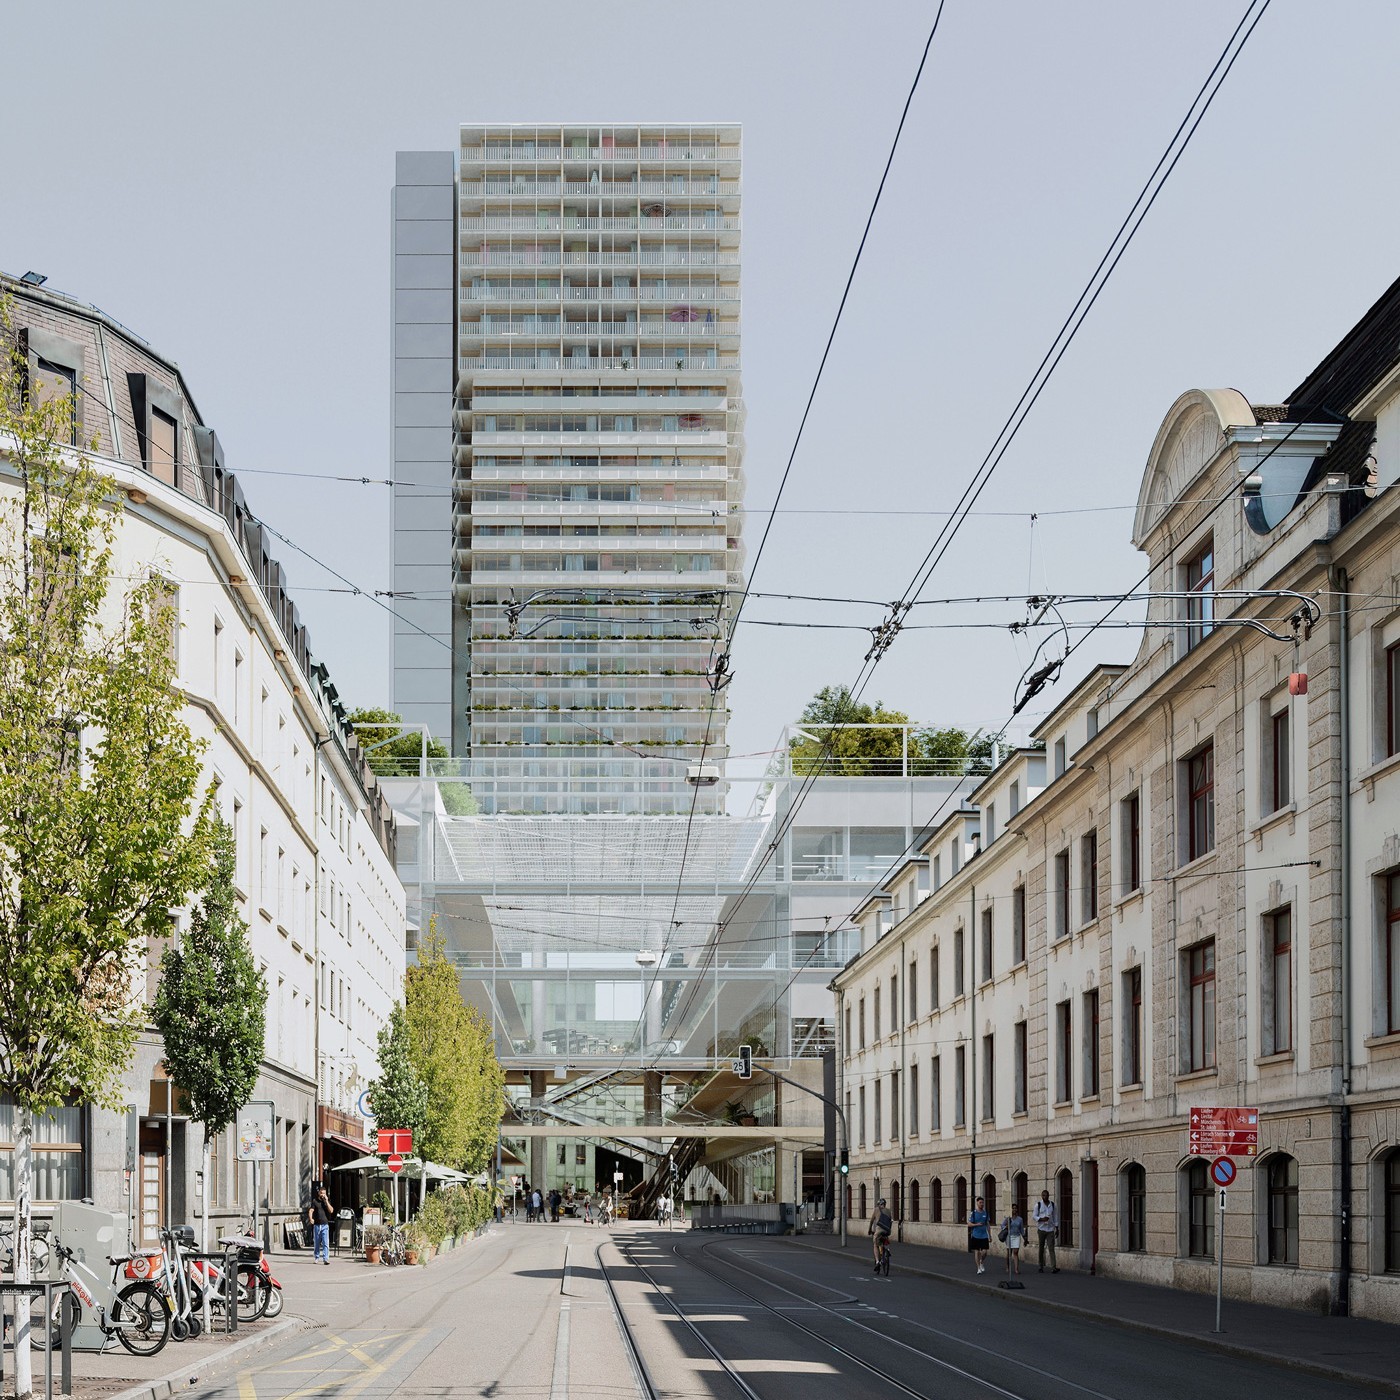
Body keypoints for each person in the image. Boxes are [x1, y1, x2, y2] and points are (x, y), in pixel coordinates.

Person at [306, 1182, 334, 1266]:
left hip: (325, 1224)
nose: (322, 1195)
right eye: (321, 1193)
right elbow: (311, 1210)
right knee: (317, 1242)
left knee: (326, 1243)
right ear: (319, 1193)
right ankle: (316, 1257)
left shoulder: (326, 1202)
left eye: (324, 1193)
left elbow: (331, 1210)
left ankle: (326, 1259)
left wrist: (326, 1201)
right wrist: (311, 1218)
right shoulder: (315, 1201)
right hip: (317, 1225)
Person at [1033, 1189, 1060, 1273]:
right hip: (1041, 1229)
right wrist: (1041, 1219)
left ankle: (1053, 1267)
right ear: (1041, 1196)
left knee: (1051, 1248)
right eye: (1043, 1195)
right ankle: (1040, 1265)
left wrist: (1057, 1227)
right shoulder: (1038, 1205)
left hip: (1050, 1229)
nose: (1045, 1197)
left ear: (1048, 1196)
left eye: (1046, 1195)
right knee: (1041, 1248)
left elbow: (1055, 1216)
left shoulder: (1052, 1205)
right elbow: (1034, 1216)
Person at [869, 1197, 893, 1271]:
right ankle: (887, 1250)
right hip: (887, 1230)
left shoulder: (876, 1210)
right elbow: (891, 1221)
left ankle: (877, 1262)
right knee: (885, 1240)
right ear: (885, 1204)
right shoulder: (889, 1211)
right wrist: (888, 1230)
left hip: (879, 1231)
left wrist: (869, 1230)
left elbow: (871, 1221)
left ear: (879, 1204)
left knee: (875, 1244)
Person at [968, 1195, 991, 1274]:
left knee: (985, 1252)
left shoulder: (986, 1213)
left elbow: (988, 1224)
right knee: (977, 1252)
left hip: (984, 1235)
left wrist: (989, 1235)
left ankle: (981, 1261)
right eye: (980, 1203)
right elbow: (969, 1224)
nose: (982, 1204)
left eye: (982, 1203)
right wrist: (976, 1224)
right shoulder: (973, 1213)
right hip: (976, 1235)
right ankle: (978, 1268)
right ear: (977, 1203)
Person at [1002, 1201, 1025, 1276]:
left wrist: (1024, 1237)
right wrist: (1006, 1226)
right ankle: (1008, 1266)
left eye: (1015, 1208)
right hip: (1009, 1236)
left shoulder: (1020, 1219)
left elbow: (1021, 1229)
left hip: (1017, 1236)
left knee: (1015, 1252)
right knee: (1009, 1253)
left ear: (1017, 1210)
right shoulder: (1008, 1218)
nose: (1014, 1210)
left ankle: (1016, 1269)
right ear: (1011, 1210)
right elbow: (1002, 1225)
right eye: (1013, 1208)